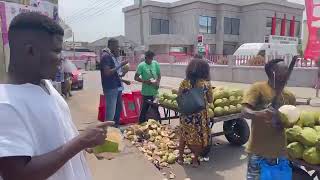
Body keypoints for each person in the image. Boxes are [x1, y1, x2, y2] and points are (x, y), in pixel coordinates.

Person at [0, 12, 114, 180]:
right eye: (56, 51)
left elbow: (60, 137)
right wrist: (80, 142)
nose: (62, 59)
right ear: (30, 50)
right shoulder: (6, 105)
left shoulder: (47, 86)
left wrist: (88, 143)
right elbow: (17, 175)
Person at [242, 59, 296, 179]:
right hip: (258, 151)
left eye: (287, 72)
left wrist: (283, 123)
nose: (286, 75)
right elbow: (244, 111)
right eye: (283, 72)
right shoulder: (258, 88)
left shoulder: (289, 96)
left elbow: (292, 122)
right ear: (273, 73)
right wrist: (258, 113)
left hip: (280, 153)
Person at [177, 59, 213, 168]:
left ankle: (180, 158)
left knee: (183, 135)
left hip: (186, 114)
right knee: (199, 138)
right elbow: (210, 100)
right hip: (199, 116)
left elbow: (179, 96)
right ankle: (195, 160)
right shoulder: (205, 84)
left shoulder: (184, 82)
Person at [100, 38, 129, 127]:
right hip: (111, 88)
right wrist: (121, 64)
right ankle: (106, 134)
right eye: (116, 46)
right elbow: (107, 72)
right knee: (110, 114)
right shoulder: (106, 56)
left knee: (117, 111)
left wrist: (123, 74)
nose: (118, 48)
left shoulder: (111, 56)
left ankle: (115, 130)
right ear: (111, 45)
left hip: (116, 87)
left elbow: (116, 74)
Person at [134, 50, 161, 124]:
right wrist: (145, 82)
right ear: (146, 58)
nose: (151, 60)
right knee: (144, 110)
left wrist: (157, 83)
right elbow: (136, 77)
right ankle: (141, 124)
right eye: (149, 58)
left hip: (155, 92)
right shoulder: (141, 66)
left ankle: (155, 125)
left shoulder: (155, 64)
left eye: (152, 58)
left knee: (155, 109)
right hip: (146, 92)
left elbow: (159, 75)